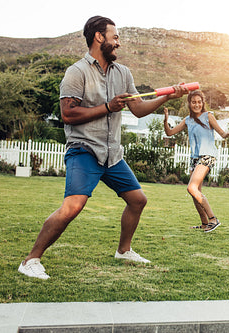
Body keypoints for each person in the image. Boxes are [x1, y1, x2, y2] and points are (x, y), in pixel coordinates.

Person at [18, 16, 188, 280]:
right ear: (99, 37)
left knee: (137, 200)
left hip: (112, 154)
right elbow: (68, 114)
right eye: (115, 36)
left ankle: (123, 251)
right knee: (72, 206)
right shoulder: (77, 72)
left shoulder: (124, 73)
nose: (118, 42)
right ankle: (31, 260)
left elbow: (139, 110)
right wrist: (108, 106)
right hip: (84, 150)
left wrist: (167, 96)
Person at [163, 90, 229, 232]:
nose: (197, 104)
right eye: (194, 102)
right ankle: (205, 223)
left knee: (191, 188)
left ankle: (213, 219)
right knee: (195, 192)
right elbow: (169, 133)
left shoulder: (208, 116)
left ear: (203, 103)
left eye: (199, 102)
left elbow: (222, 134)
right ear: (189, 104)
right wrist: (165, 120)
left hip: (207, 155)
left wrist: (228, 133)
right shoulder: (188, 120)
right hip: (195, 158)